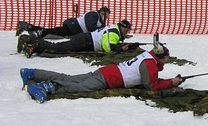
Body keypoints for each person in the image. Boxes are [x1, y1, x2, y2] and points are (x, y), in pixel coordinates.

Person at [21, 40, 184, 103]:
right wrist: (172, 82)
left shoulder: (148, 56)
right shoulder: (150, 64)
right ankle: (46, 87)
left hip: (108, 71)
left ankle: (33, 73)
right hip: (109, 79)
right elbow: (152, 86)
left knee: (70, 78)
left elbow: (150, 75)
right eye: (166, 58)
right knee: (80, 88)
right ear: (161, 57)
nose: (167, 60)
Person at [18, 19, 136, 57]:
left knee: (60, 47)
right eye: (126, 30)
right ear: (122, 27)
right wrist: (119, 49)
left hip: (84, 39)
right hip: (84, 40)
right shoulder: (114, 32)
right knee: (59, 48)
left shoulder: (114, 29)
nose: (127, 33)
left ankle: (34, 44)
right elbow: (108, 47)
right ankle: (33, 42)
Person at [16, 7, 111, 40]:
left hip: (75, 29)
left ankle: (30, 27)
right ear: (102, 12)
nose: (107, 17)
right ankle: (38, 31)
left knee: (55, 31)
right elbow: (90, 27)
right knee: (55, 31)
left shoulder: (100, 21)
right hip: (73, 26)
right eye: (106, 15)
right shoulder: (93, 15)